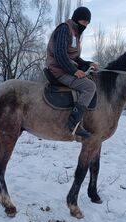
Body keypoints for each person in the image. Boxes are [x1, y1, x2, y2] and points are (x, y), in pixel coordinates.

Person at [46, 6, 98, 138]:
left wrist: (88, 64)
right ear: (77, 19)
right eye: (84, 22)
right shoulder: (64, 29)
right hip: (58, 70)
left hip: (65, 69)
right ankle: (73, 123)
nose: (85, 25)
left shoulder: (76, 34)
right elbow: (60, 54)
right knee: (89, 87)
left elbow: (75, 58)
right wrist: (74, 71)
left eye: (87, 23)